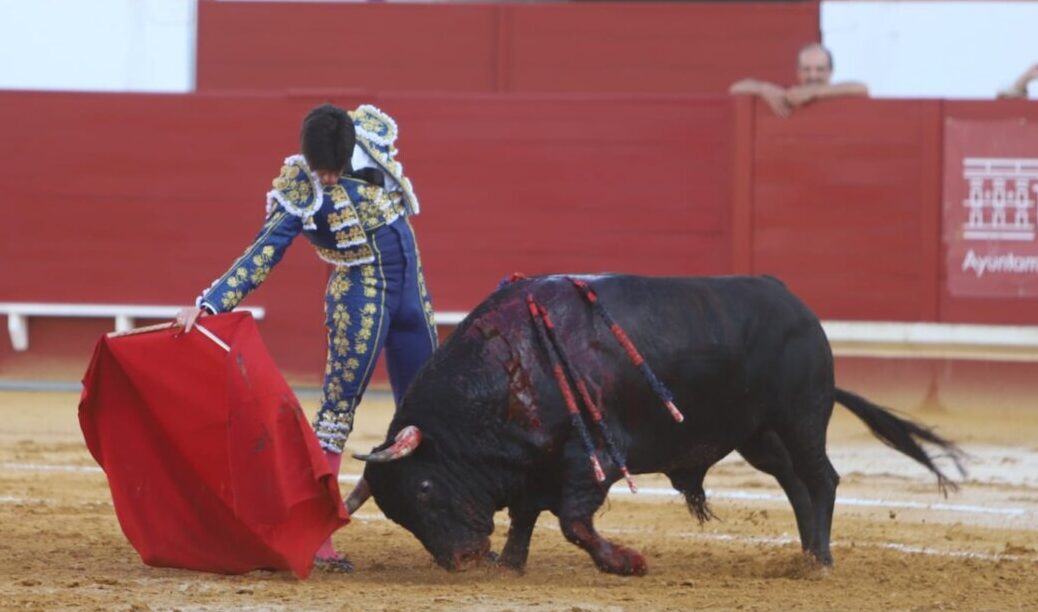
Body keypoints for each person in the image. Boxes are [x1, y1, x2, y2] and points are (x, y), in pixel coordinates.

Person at [175, 103, 438, 572]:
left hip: (412, 295)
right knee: (337, 415)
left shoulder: (373, 141)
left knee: (432, 410)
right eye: (322, 170)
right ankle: (316, 538)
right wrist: (211, 303)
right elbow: (264, 251)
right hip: (360, 297)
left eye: (334, 169)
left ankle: (447, 526)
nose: (329, 180)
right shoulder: (300, 186)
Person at [729, 43, 869, 118]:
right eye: (806, 69)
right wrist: (763, 88)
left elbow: (862, 88)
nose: (813, 75)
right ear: (798, 72)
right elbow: (735, 88)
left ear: (830, 71)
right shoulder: (787, 95)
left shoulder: (837, 93)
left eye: (820, 69)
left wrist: (815, 93)